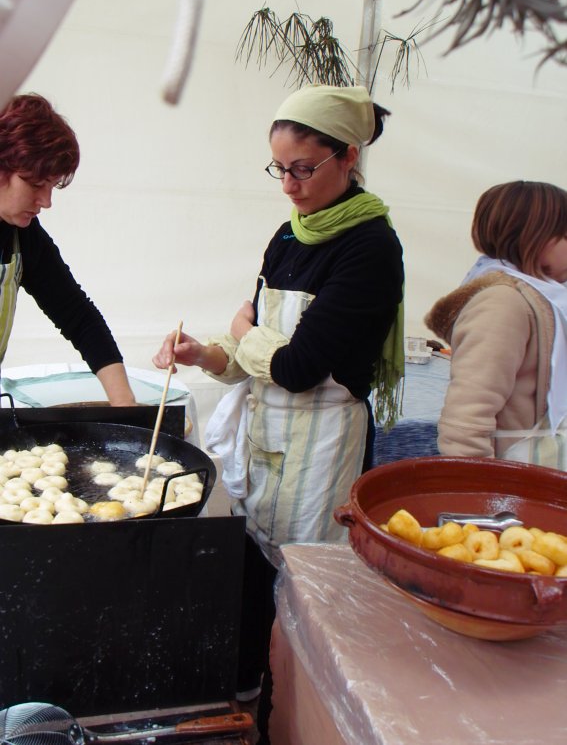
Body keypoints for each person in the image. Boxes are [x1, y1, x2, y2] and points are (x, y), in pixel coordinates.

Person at [153, 83, 404, 741]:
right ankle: (249, 707)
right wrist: (207, 351)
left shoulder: (370, 249)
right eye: (279, 168)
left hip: (321, 448)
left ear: (347, 158)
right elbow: (254, 352)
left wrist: (250, 331)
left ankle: (290, 719)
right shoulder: (286, 238)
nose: (289, 185)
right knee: (255, 574)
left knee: (304, 599)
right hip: (269, 442)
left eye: (303, 169)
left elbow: (296, 368)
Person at [0, 93, 135, 405]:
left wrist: (125, 406)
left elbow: (78, 316)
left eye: (51, 186)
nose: (46, 202)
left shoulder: (23, 238)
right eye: (35, 185)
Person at [426, 180, 567, 466]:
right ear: (534, 237)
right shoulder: (504, 303)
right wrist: (480, 495)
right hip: (517, 474)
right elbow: (467, 419)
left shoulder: (546, 296)